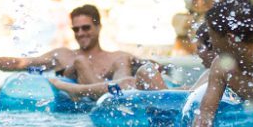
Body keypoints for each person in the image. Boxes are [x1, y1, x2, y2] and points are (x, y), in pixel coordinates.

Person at [0, 4, 134, 83]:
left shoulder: (117, 57)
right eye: (76, 29)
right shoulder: (64, 56)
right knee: (79, 62)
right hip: (80, 113)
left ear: (98, 27)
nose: (81, 33)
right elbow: (21, 63)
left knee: (124, 62)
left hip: (110, 106)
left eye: (86, 27)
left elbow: (150, 68)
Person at [49, 24, 216, 101]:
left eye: (200, 47)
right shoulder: (213, 71)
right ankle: (77, 89)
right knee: (133, 78)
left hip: (168, 109)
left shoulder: (217, 71)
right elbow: (192, 91)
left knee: (144, 72)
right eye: (75, 29)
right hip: (168, 101)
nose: (197, 52)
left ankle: (73, 89)